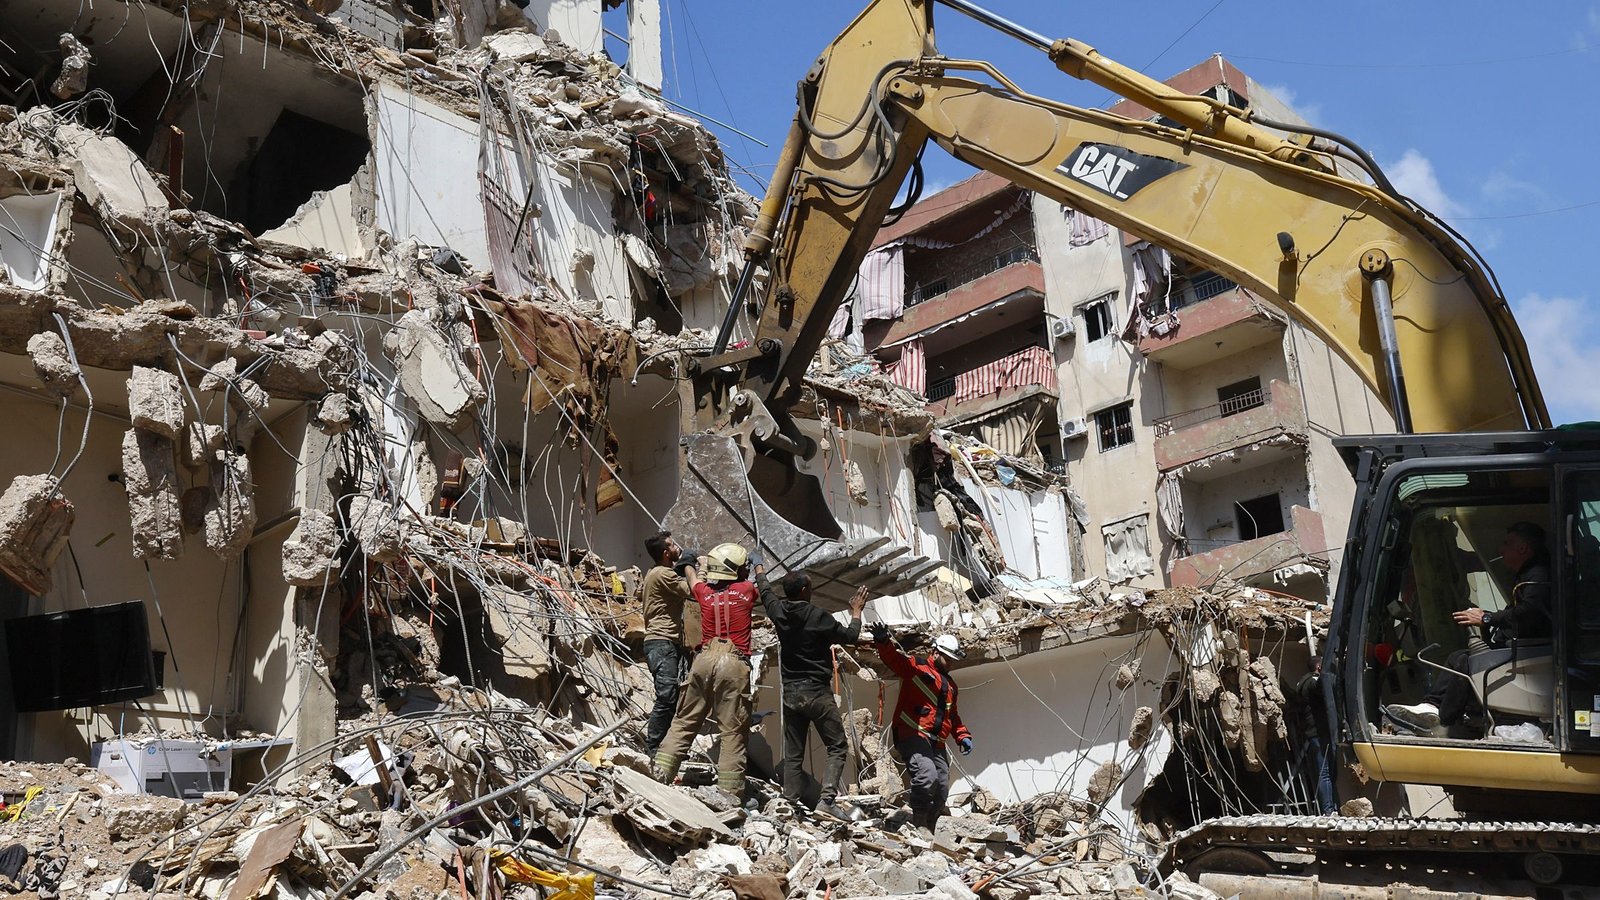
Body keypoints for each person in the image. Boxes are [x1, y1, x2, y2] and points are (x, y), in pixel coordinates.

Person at [1386, 521, 1552, 732]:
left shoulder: (1538, 575)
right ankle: (1436, 709)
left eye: (1507, 543)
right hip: (1522, 646)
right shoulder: (1530, 574)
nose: (1501, 550)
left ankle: (1440, 714)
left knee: (1463, 660)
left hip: (1529, 649)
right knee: (1459, 657)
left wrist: (1487, 618)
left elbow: (1530, 612)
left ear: (1523, 548)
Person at [653, 542, 760, 799]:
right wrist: (758, 565)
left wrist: (689, 563)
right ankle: (729, 794)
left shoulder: (705, 593)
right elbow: (759, 585)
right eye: (743, 567)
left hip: (702, 661)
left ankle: (659, 775)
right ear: (736, 571)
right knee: (733, 731)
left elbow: (693, 581)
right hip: (733, 662)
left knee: (683, 722)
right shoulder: (746, 589)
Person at [758, 569, 868, 817]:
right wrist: (856, 611)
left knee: (793, 753)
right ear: (803, 591)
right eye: (810, 586)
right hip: (816, 692)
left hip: (791, 694)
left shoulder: (779, 612)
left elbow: (765, 593)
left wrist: (759, 570)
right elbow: (850, 636)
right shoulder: (819, 616)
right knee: (837, 746)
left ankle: (789, 803)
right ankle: (827, 801)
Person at [870, 623, 972, 835]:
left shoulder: (951, 686)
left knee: (941, 788)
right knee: (927, 774)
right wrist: (882, 641)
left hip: (937, 742)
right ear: (935, 652)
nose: (951, 663)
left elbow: (952, 715)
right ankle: (919, 823)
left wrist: (962, 735)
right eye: (947, 659)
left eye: (953, 660)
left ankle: (931, 827)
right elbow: (894, 660)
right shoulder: (917, 667)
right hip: (912, 733)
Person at [640, 531, 694, 757]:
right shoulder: (663, 574)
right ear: (665, 553)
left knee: (672, 696)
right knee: (667, 696)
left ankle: (664, 746)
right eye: (672, 545)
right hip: (661, 642)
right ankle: (653, 747)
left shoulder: (657, 572)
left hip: (664, 642)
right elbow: (694, 591)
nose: (677, 547)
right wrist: (693, 567)